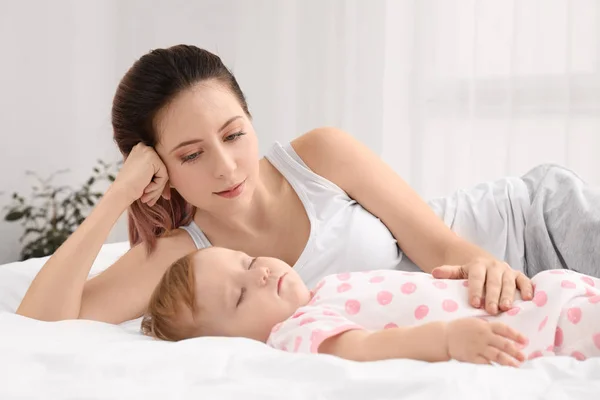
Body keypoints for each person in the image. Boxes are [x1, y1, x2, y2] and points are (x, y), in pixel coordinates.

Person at [15, 44, 600, 325]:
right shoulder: (181, 260)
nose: (225, 167)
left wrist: (485, 267)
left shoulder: (318, 155)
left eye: (234, 134)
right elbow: (42, 322)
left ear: (251, 118)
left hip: (527, 229)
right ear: (158, 169)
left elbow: (437, 241)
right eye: (191, 154)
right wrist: (118, 195)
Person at [140, 246, 600, 366]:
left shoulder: (323, 288)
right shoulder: (295, 331)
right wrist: (445, 338)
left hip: (546, 292)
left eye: (247, 261)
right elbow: (362, 348)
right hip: (547, 327)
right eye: (240, 296)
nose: (259, 273)